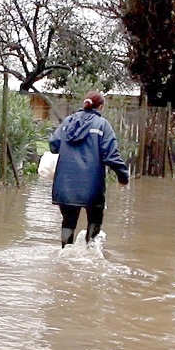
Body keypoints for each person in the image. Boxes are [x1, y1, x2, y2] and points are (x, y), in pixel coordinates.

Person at [49, 90, 130, 248]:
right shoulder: (102, 126)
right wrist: (123, 177)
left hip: (65, 185)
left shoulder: (68, 122)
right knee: (94, 221)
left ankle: (65, 253)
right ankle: (92, 254)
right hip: (92, 187)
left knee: (68, 222)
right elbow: (111, 156)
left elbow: (53, 145)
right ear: (100, 107)